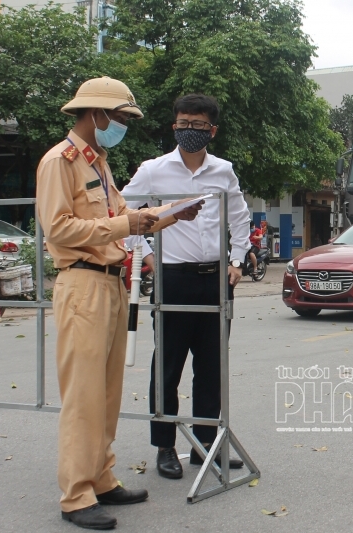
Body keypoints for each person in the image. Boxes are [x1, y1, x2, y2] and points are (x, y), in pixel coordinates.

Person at [36, 76, 203, 530]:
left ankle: (102, 477)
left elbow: (118, 223)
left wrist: (165, 217)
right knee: (83, 396)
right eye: (122, 117)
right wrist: (128, 223)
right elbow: (60, 230)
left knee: (107, 394)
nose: (124, 125)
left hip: (111, 283)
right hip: (82, 284)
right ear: (97, 115)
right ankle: (76, 494)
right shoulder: (61, 161)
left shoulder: (99, 164)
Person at [121, 94, 250, 480]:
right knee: (169, 365)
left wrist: (237, 260)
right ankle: (165, 446)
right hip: (172, 278)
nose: (189, 131)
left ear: (212, 130)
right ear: (173, 125)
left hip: (215, 280)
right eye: (183, 123)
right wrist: (144, 256)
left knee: (212, 367)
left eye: (197, 125)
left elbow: (240, 217)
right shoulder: (153, 171)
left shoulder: (223, 171)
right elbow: (124, 214)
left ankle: (206, 445)